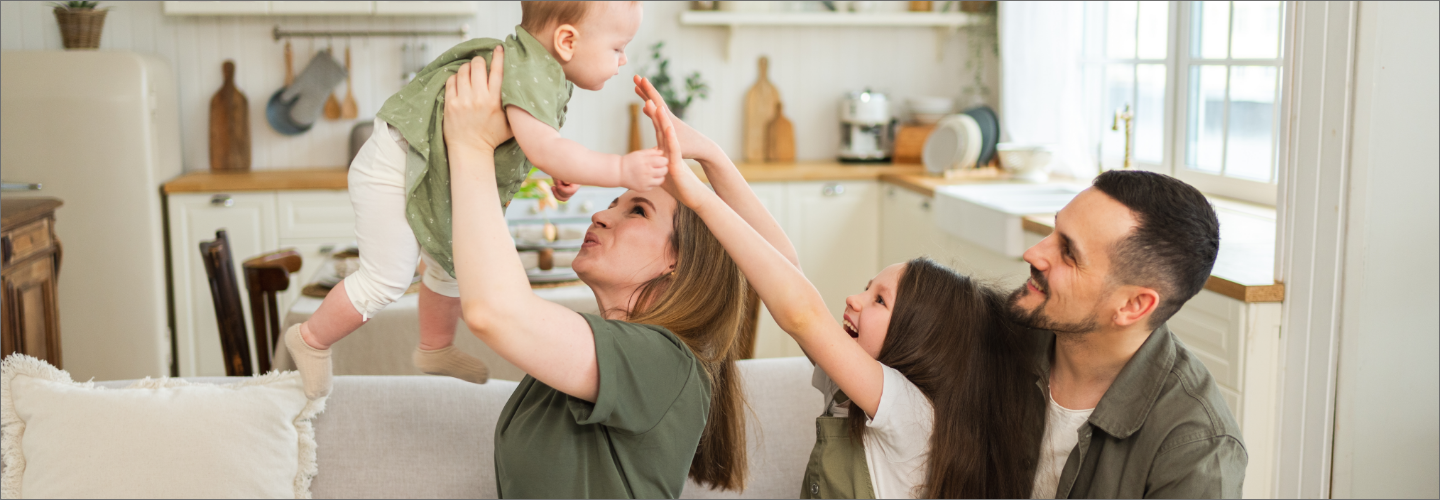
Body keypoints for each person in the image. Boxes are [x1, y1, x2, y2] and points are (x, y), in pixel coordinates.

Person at [633, 80, 1045, 498]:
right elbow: (785, 263)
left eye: (879, 300)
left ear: (920, 338)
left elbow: (801, 313)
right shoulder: (849, 389)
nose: (854, 298)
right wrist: (708, 153)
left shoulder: (910, 410)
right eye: (868, 289)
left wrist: (700, 199)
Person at [284, 1, 667, 399]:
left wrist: (558, 168)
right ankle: (311, 339)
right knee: (386, 278)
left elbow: (531, 138)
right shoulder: (532, 71)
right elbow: (545, 146)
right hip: (397, 167)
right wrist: (620, 169)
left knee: (455, 264)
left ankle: (434, 347)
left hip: (429, 170)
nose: (623, 61)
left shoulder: (542, 70)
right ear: (567, 41)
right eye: (618, 48)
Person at [439, 49, 756, 498]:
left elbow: (496, 311)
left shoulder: (664, 362)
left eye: (637, 211)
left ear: (678, 261)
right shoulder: (585, 354)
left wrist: (471, 144)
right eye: (612, 203)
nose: (601, 217)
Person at [1009, 170, 1247, 498]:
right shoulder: (998, 339)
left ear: (1133, 305)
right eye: (1054, 230)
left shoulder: (1197, 449)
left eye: (1069, 253)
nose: (1034, 253)